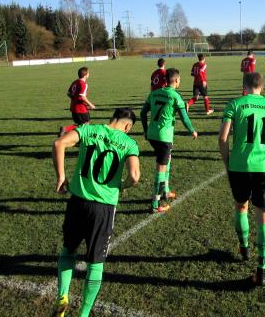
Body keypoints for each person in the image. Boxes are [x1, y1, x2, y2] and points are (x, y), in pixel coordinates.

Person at [52, 108, 140, 317]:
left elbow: (59, 143)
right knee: (95, 263)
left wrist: (61, 176)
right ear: (127, 126)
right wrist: (123, 186)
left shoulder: (88, 129)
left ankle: (62, 297)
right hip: (103, 208)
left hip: (77, 202)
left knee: (68, 251)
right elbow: (135, 175)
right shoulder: (129, 143)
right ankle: (84, 313)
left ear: (113, 119)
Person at [218, 72, 265, 286]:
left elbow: (222, 138)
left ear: (243, 87)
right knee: (264, 218)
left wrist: (228, 162)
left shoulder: (235, 104)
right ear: (263, 88)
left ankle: (244, 247)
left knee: (241, 207)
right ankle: (262, 270)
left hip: (239, 166)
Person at [141, 68, 198, 213]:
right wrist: (192, 130)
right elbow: (184, 118)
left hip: (153, 134)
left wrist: (145, 130)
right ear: (177, 80)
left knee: (168, 160)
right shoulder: (176, 97)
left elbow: (143, 112)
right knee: (161, 168)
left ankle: (165, 191)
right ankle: (155, 204)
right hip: (163, 137)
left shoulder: (154, 93)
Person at [59, 67, 96, 136]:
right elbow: (82, 97)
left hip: (73, 107)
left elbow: (68, 93)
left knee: (81, 125)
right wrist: (90, 104)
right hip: (81, 109)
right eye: (88, 73)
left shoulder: (75, 82)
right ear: (86, 75)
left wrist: (74, 99)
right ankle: (66, 129)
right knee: (85, 125)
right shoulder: (83, 84)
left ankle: (66, 130)